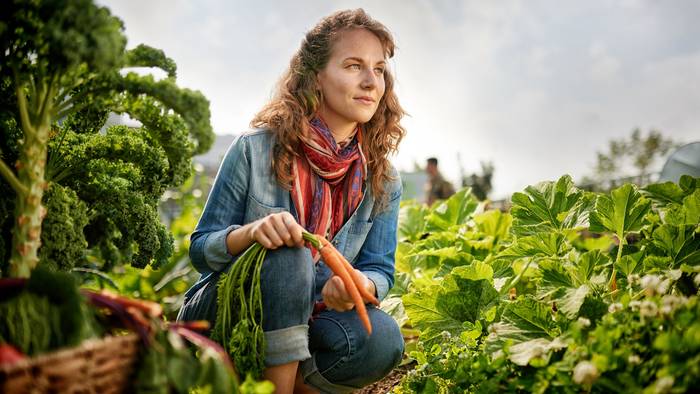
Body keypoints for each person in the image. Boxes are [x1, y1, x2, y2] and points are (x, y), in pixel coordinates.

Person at [177, 9, 406, 394]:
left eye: (379, 69)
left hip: (315, 318)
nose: (371, 81)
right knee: (288, 253)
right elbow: (201, 250)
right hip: (233, 313)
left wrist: (358, 284)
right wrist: (250, 234)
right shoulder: (255, 150)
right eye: (354, 66)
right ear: (316, 75)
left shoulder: (382, 178)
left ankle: (268, 382)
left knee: (381, 340)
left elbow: (380, 269)